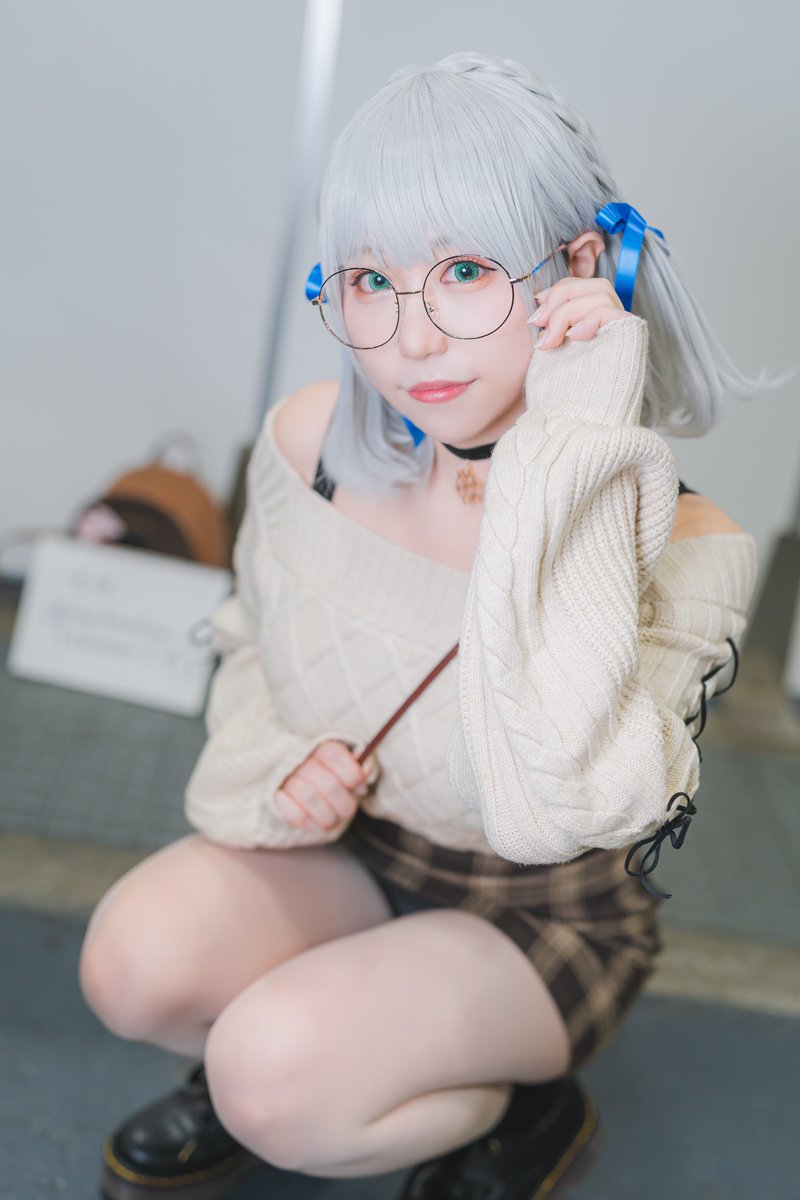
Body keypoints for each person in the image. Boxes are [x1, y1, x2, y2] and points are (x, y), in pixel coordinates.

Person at [78, 51, 775, 1200]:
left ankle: (511, 1100)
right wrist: (284, 765)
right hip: (354, 853)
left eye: (461, 270)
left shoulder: (692, 543)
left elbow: (575, 802)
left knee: (271, 1080)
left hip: (540, 914)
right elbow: (246, 640)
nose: (408, 340)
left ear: (582, 269)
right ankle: (331, 1037)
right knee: (130, 967)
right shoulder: (310, 445)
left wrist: (564, 458)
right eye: (367, 279)